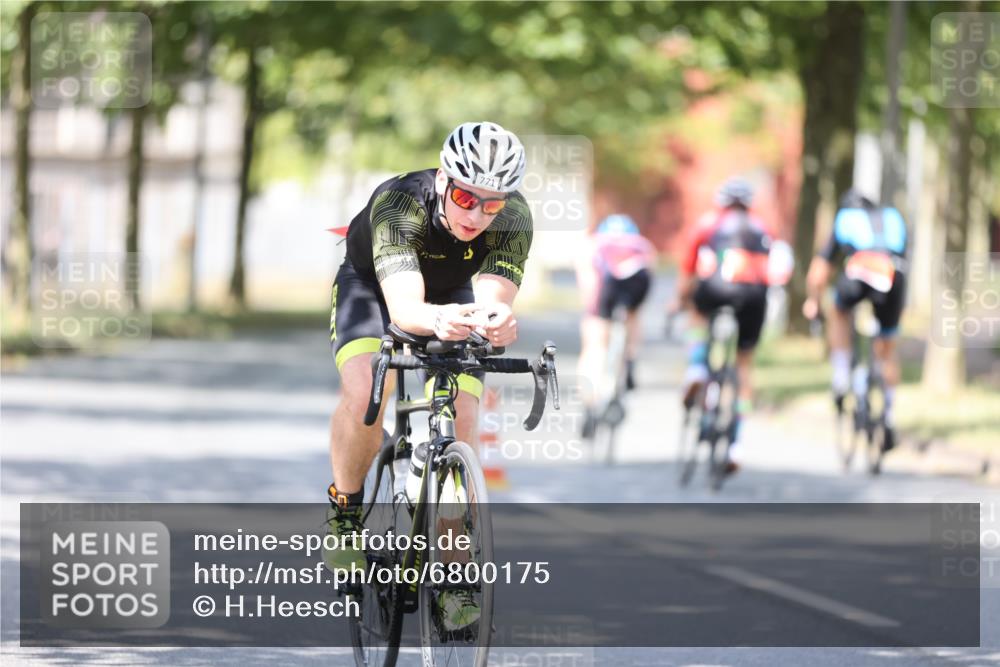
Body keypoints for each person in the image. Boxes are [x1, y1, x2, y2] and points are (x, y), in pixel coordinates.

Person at [325, 121, 532, 630]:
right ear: (443, 179)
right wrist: (438, 319)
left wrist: (497, 321)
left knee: (463, 414)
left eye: (492, 204)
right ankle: (346, 515)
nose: (477, 214)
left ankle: (456, 578)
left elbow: (491, 301)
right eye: (466, 196)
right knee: (368, 392)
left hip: (451, 292)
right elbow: (405, 309)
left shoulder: (514, 216)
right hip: (373, 289)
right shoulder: (399, 204)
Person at [673, 178, 773, 476]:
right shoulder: (762, 227)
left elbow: (689, 269)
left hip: (716, 288)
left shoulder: (710, 223)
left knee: (697, 314)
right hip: (755, 295)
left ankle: (696, 367)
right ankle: (736, 444)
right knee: (743, 366)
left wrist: (680, 301)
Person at [803, 188, 908, 452]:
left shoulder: (845, 217)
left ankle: (840, 373)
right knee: (888, 347)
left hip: (861, 270)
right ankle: (889, 414)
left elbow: (819, 270)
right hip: (893, 274)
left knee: (838, 311)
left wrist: (813, 301)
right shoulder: (893, 217)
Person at [576, 214, 656, 436]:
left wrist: (592, 311)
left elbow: (588, 284)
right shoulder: (641, 244)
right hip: (639, 280)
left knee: (594, 346)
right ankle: (630, 359)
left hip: (607, 281)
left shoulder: (594, 243)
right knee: (633, 316)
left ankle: (590, 404)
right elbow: (651, 271)